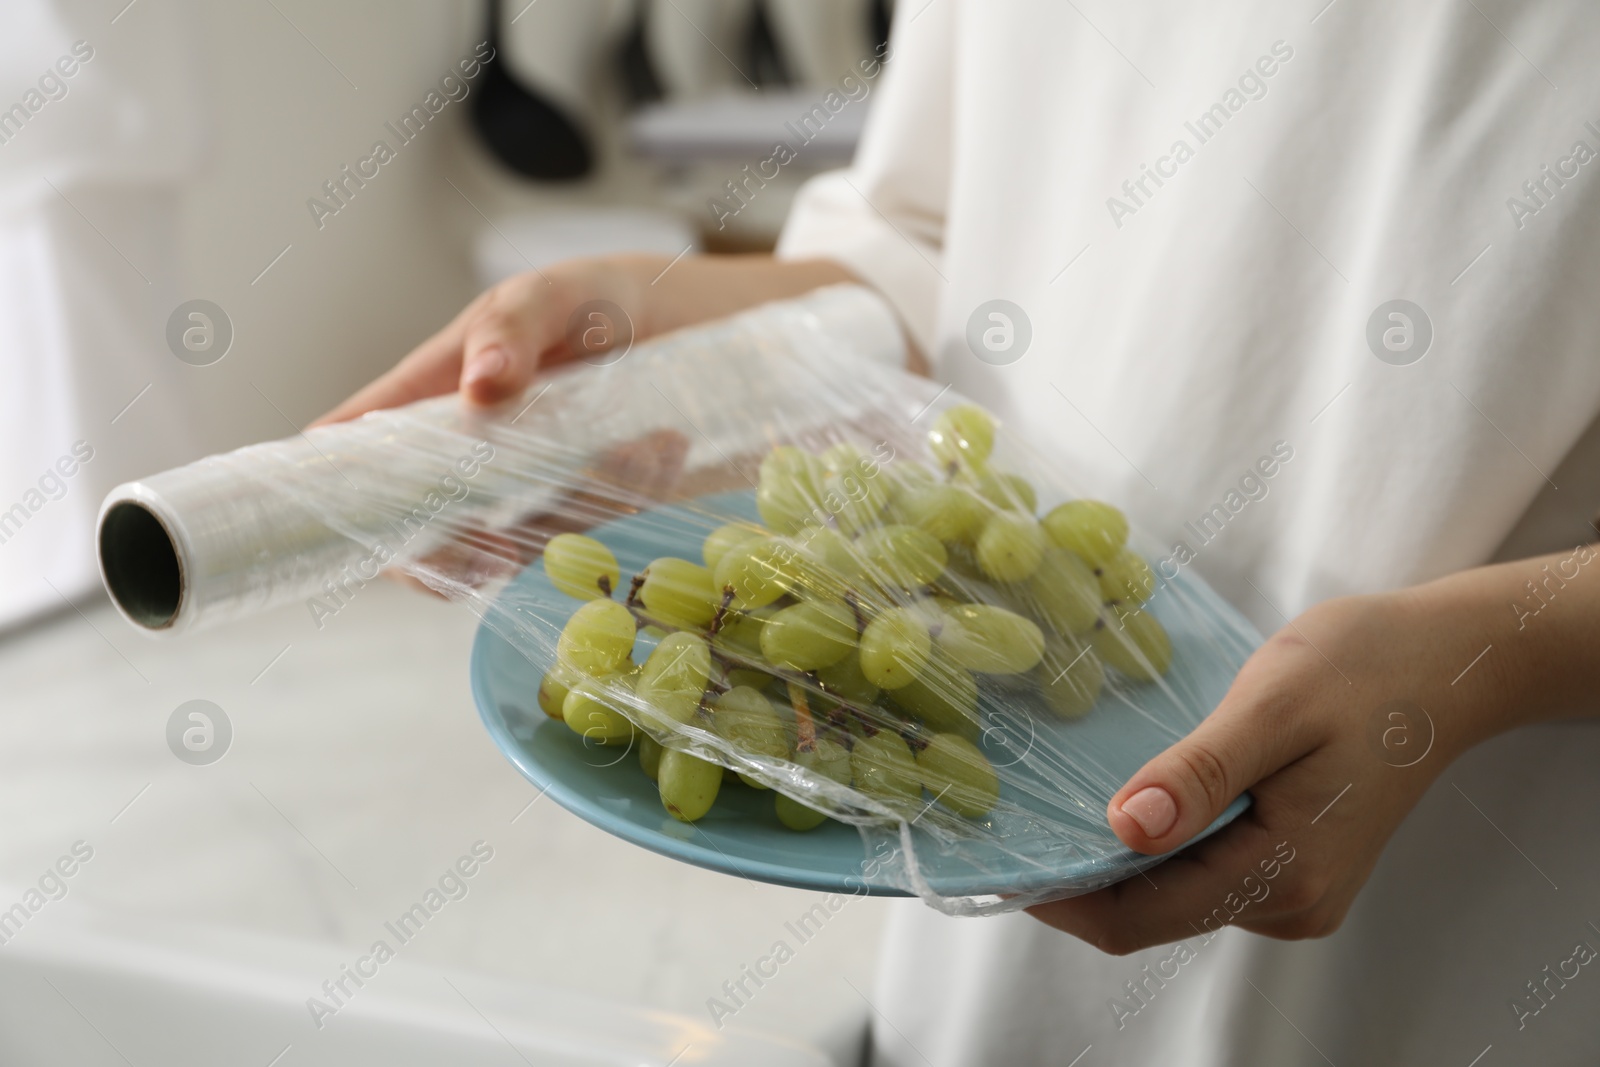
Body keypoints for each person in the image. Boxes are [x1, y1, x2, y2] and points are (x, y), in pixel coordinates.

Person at [321, 2, 1600, 1062]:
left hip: (1441, 976)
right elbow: (940, 250)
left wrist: (1490, 655)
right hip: (974, 975)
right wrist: (664, 323)